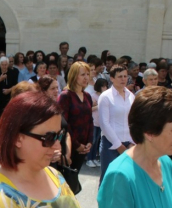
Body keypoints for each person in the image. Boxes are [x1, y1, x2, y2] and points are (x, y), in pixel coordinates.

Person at [57, 61, 94, 194]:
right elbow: (63, 123)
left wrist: (90, 142)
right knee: (64, 182)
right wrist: (77, 144)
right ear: (73, 76)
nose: (86, 77)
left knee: (73, 180)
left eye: (88, 74)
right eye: (82, 74)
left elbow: (90, 120)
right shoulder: (66, 96)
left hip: (83, 146)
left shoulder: (87, 96)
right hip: (69, 146)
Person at [98, 64, 135, 184]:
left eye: (125, 76)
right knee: (108, 180)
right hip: (111, 144)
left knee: (124, 180)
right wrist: (118, 145)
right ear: (112, 78)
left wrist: (132, 142)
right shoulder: (105, 97)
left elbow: (133, 120)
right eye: (119, 76)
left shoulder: (131, 96)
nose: (123, 79)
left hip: (129, 144)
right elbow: (104, 123)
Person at [86, 78, 109, 168]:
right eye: (103, 86)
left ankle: (94, 158)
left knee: (97, 141)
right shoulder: (93, 96)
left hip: (102, 122)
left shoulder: (106, 96)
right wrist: (99, 105)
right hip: (94, 121)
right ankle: (89, 159)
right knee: (93, 140)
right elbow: (89, 109)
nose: (105, 87)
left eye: (106, 85)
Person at [0, 56, 18, 129]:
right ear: (0, 65)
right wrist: (0, 79)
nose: (4, 66)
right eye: (2, 65)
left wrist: (9, 90)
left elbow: (16, 85)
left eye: (6, 64)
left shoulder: (13, 72)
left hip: (8, 97)